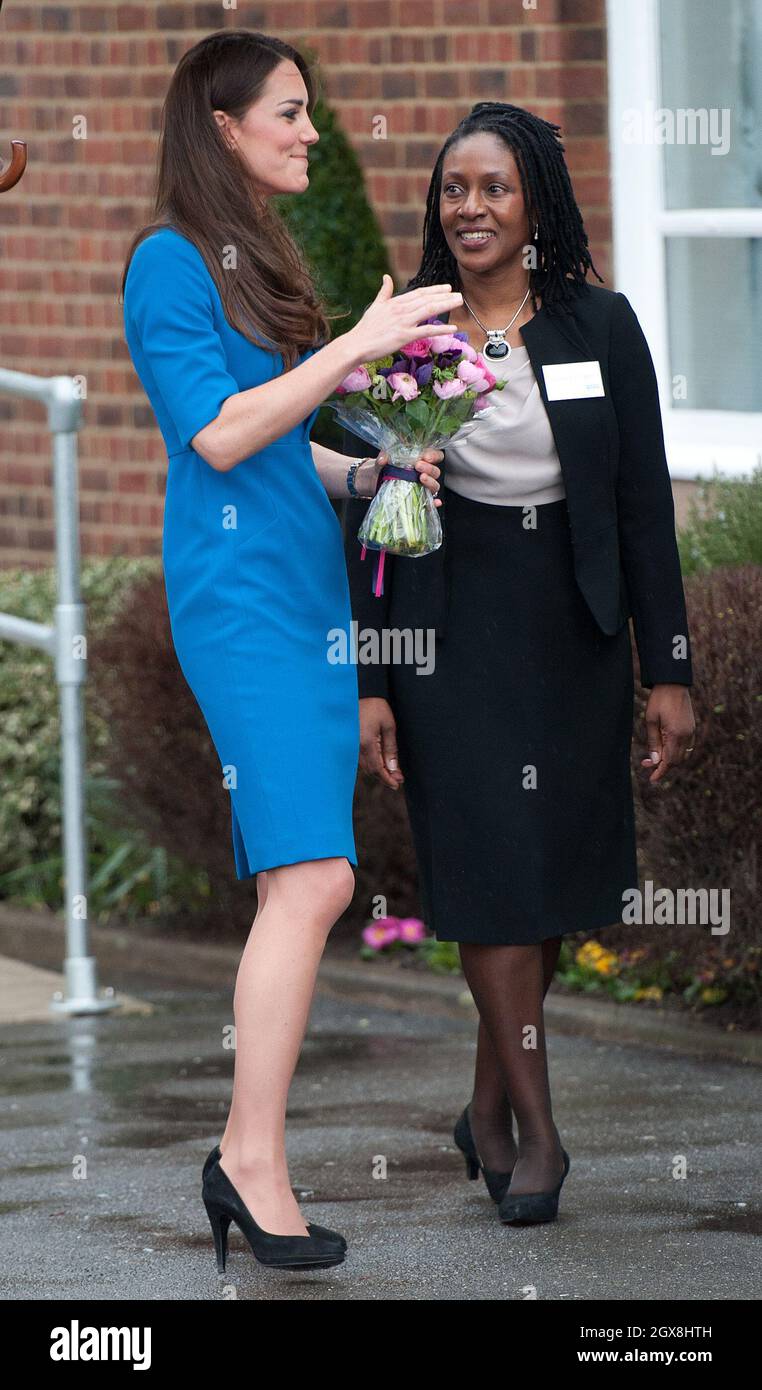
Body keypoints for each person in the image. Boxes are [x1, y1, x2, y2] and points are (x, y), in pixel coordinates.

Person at [120, 28, 460, 1271]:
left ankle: (249, 1158)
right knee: (313, 882)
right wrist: (357, 350)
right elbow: (214, 436)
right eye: (290, 111)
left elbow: (274, 440)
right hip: (240, 601)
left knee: (303, 882)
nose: (313, 131)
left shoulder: (248, 255)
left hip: (304, 595)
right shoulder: (165, 263)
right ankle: (248, 1160)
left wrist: (369, 464)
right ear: (221, 124)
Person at [343, 101, 697, 1226]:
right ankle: (536, 1134)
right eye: (455, 189)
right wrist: (373, 678)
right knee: (494, 868)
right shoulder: (405, 331)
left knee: (544, 876)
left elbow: (644, 505)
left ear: (535, 201)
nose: (472, 207)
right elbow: (365, 522)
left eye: (495, 187)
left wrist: (670, 665)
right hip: (452, 629)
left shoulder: (601, 323)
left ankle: (485, 1104)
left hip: (575, 629)